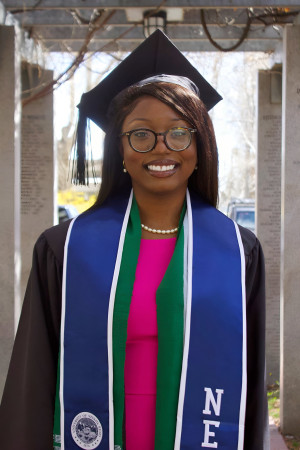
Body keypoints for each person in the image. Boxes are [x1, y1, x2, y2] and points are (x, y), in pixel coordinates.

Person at [0, 30, 268, 450]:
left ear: (200, 146)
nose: (161, 149)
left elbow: (248, 386)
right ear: (120, 151)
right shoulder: (65, 251)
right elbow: (33, 380)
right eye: (141, 134)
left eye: (179, 133)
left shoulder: (238, 252)